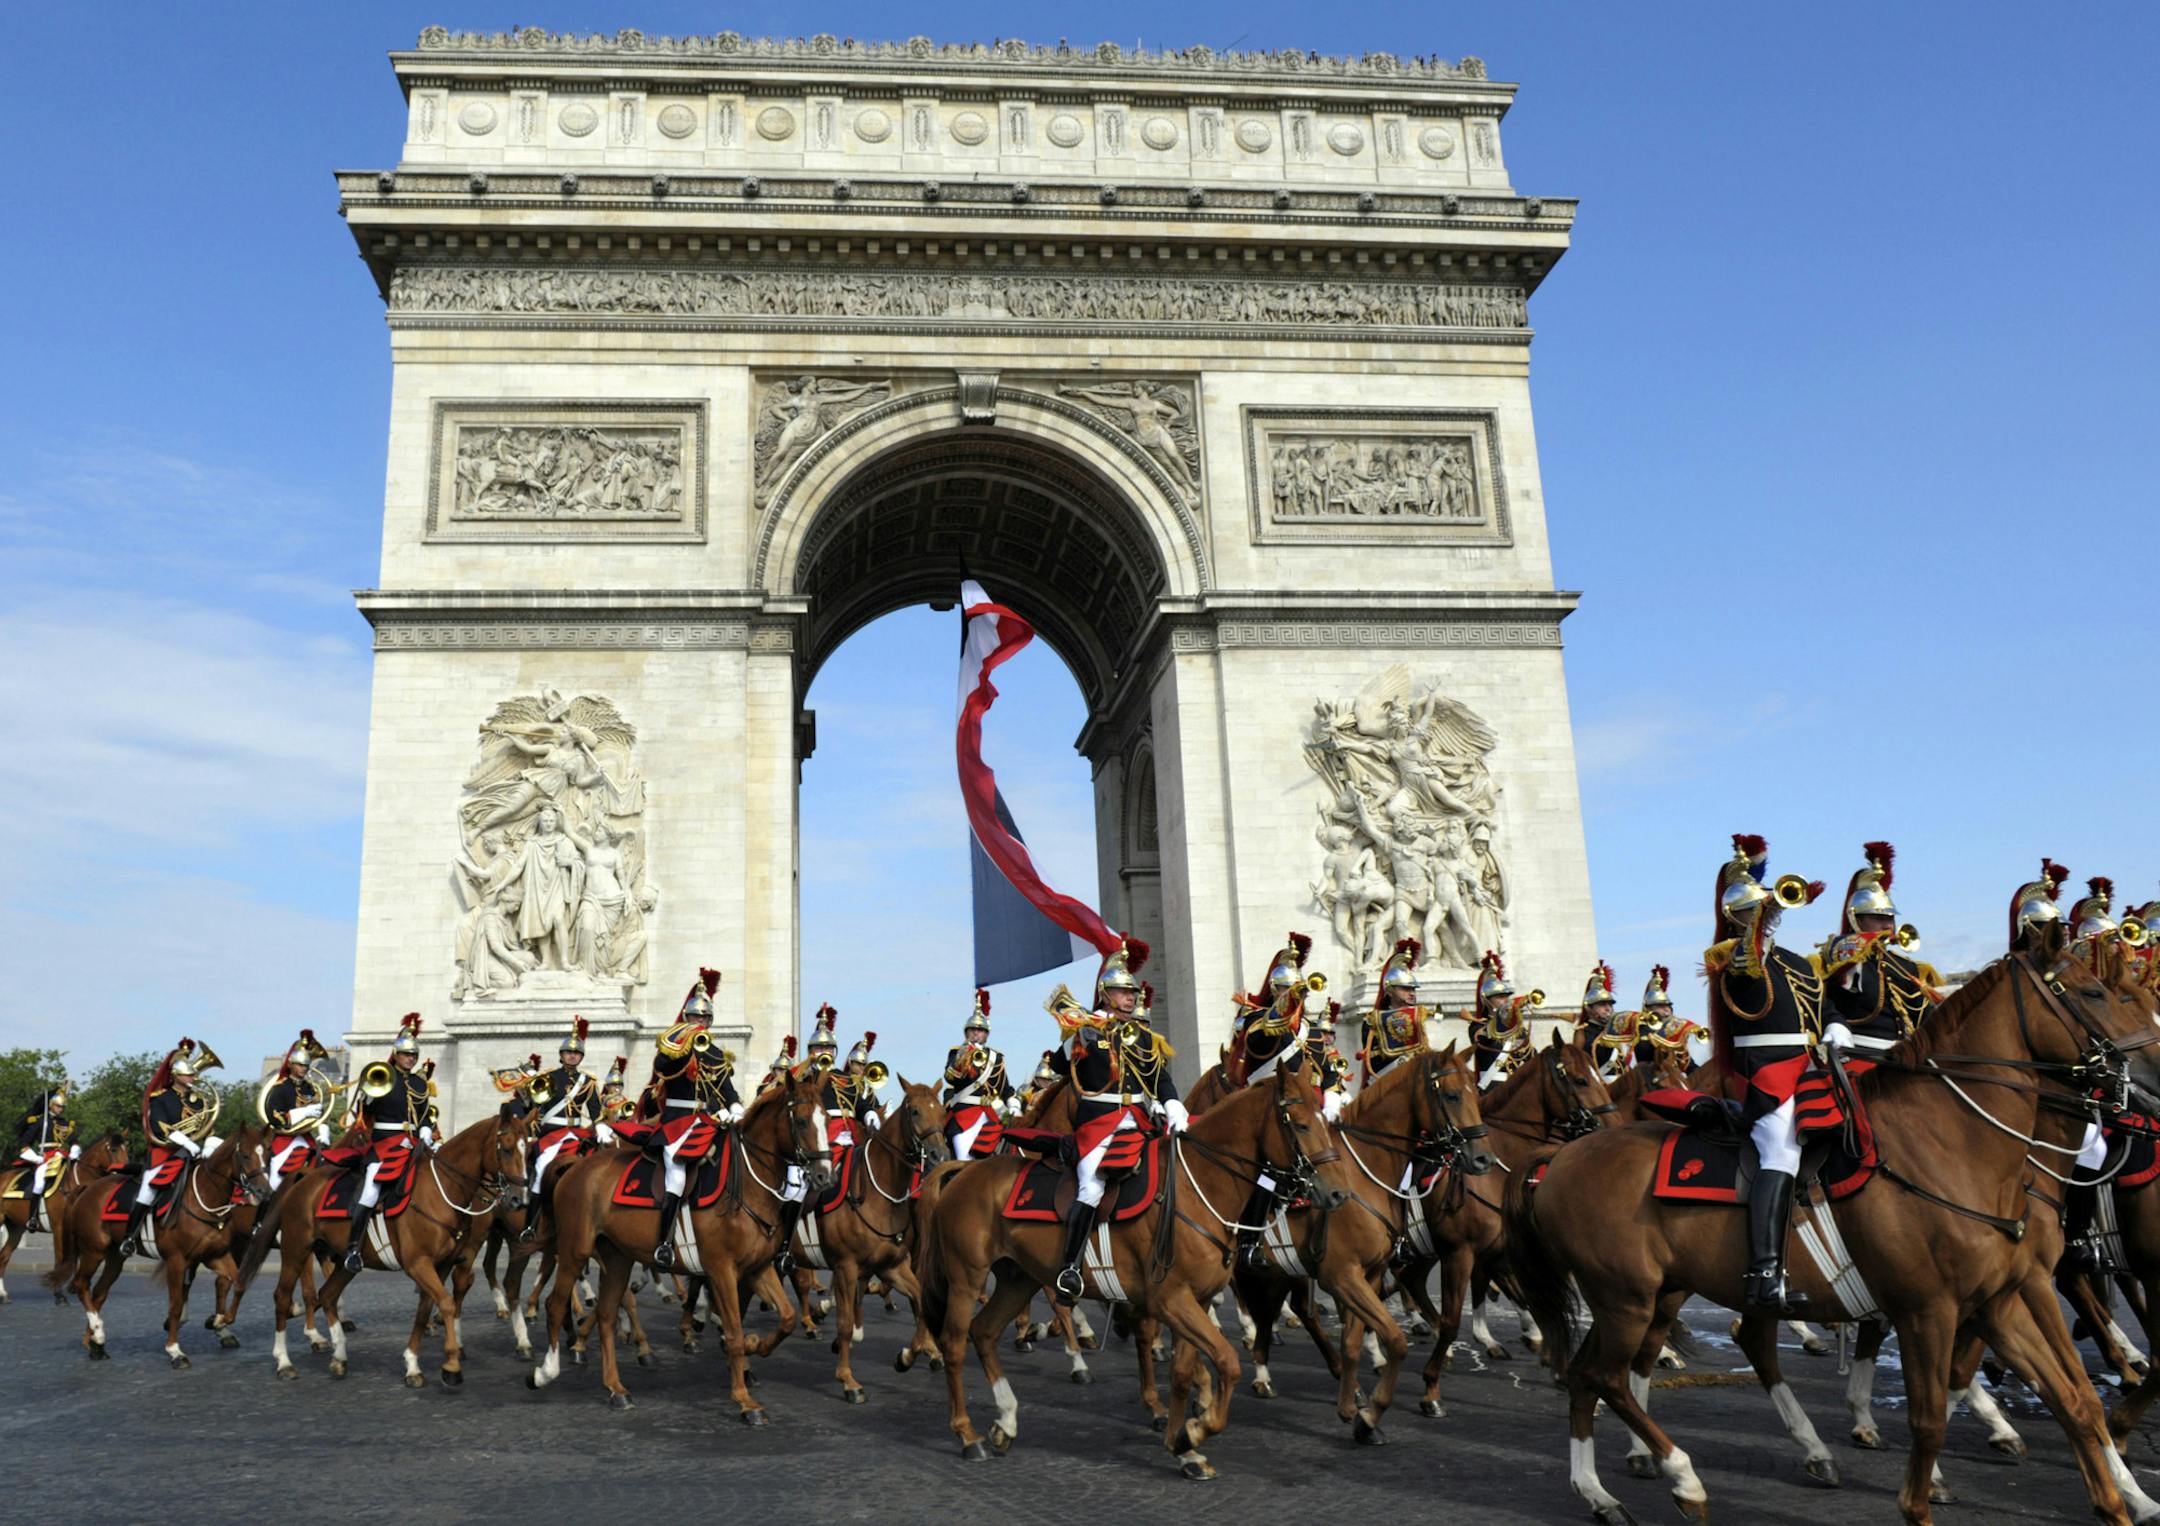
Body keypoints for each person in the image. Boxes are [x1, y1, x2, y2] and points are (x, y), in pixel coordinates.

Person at [1705, 834, 1826, 1313]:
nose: (1772, 915)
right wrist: (1765, 905)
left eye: (1771, 910)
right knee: (1782, 1150)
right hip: (1769, 1073)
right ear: (1739, 916)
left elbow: (1822, 1002)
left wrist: (1833, 1026)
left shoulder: (1797, 961)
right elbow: (1750, 960)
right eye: (1758, 911)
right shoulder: (1734, 957)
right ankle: (1765, 1270)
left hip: (1812, 1064)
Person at [1039, 936, 1187, 1304]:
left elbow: (1160, 1078)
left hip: (1138, 1120)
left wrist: (1173, 1105)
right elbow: (1059, 1068)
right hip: (1098, 1125)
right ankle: (1070, 1268)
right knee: (1091, 1187)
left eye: (1132, 993)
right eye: (1123, 992)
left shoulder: (1143, 1038)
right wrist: (1075, 1038)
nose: (1131, 997)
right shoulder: (1088, 1030)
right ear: (1106, 995)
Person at [1817, 842, 1943, 1067]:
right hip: (1859, 1057)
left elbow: (1924, 1019)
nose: (1887, 925)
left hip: (1906, 1058)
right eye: (1878, 918)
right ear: (1858, 920)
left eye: (1890, 918)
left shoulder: (1906, 967)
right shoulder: (1842, 954)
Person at [342, 1015, 435, 1272]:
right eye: (406, 1055)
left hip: (414, 1142)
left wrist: (426, 1129)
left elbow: (425, 1111)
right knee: (371, 1189)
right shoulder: (383, 1076)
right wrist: (369, 1096)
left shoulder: (418, 1082)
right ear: (396, 1054)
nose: (410, 1059)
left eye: (414, 1055)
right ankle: (352, 1248)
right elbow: (364, 1110)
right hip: (385, 1144)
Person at [650, 970, 724, 1272]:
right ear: (686, 1018)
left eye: (704, 1019)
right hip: (678, 1122)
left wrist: (733, 1106)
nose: (700, 1023)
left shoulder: (716, 1052)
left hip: (705, 1121)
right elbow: (660, 1066)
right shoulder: (674, 1046)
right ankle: (663, 1242)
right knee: (677, 1173)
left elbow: (725, 1087)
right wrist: (681, 1045)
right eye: (695, 1018)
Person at [121, 1040, 223, 1257]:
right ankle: (129, 1237)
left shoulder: (198, 1100)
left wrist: (209, 1145)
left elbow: (206, 1127)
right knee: (147, 1192)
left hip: (190, 1154)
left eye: (193, 1074)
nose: (193, 1078)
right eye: (189, 1075)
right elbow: (159, 1127)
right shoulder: (161, 1098)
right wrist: (186, 1142)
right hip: (164, 1155)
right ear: (176, 1075)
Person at [520, 1018, 601, 1238]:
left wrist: (601, 1127)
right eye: (568, 1052)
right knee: (542, 1167)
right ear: (561, 1055)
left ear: (581, 1057)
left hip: (577, 1133)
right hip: (552, 1134)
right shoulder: (548, 1077)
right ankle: (530, 1224)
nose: (572, 1056)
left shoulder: (588, 1082)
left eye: (576, 1053)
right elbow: (536, 1106)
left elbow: (595, 1111)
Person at [942, 989, 1016, 1159]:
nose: (976, 1033)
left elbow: (1004, 1086)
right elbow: (949, 1077)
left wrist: (1013, 1104)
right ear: (966, 1033)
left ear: (986, 1034)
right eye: (972, 1029)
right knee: (963, 1158)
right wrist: (962, 1056)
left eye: (980, 1030)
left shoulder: (996, 1057)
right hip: (964, 1114)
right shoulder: (956, 1052)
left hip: (990, 1113)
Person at [262, 1030, 331, 1192]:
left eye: (306, 1065)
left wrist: (323, 1131)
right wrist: (304, 1112)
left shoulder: (311, 1088)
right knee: (275, 1182)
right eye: (300, 1065)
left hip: (307, 1138)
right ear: (291, 1065)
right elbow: (275, 1117)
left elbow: (320, 1115)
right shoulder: (280, 1088)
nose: (304, 1069)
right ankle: (263, 1214)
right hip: (285, 1141)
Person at [9, 1078, 74, 1233]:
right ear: (51, 1105)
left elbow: (73, 1140)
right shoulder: (40, 1122)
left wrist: (76, 1148)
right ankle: (32, 1217)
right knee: (39, 1182)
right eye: (59, 1106)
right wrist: (37, 1158)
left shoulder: (65, 1123)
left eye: (62, 1107)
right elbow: (24, 1144)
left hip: (63, 1157)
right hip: (45, 1158)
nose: (61, 1109)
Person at [1360, 938, 1428, 1086]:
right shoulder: (1372, 1021)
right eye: (1405, 988)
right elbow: (1374, 1060)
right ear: (1390, 991)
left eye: (1413, 989)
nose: (1411, 993)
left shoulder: (1417, 1016)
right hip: (1385, 1083)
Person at [1471, 952, 1536, 1087]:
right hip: (1493, 1087)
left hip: (1518, 1087)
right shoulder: (1477, 1027)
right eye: (1500, 997)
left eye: (1507, 996)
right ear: (1487, 1001)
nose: (1506, 1000)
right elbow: (1487, 1039)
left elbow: (1531, 1057)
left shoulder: (1518, 1029)